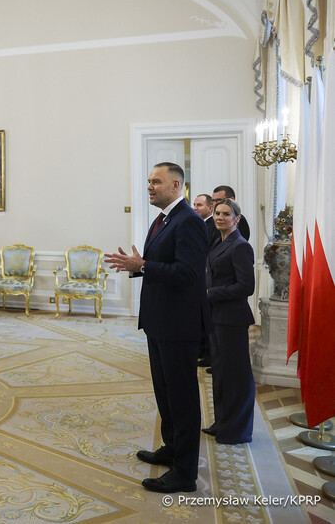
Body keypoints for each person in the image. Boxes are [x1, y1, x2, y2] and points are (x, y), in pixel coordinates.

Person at [105, 162, 207, 494]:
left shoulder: (189, 221)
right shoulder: (163, 219)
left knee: (182, 397)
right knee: (165, 392)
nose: (150, 186)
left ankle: (185, 473)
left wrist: (145, 265)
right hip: (159, 322)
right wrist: (137, 267)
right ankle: (172, 448)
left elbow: (189, 274)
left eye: (156, 182)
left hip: (179, 325)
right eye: (149, 181)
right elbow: (164, 265)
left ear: (176, 185)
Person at [203, 199, 256, 444]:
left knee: (236, 376)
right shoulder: (218, 241)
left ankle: (238, 431)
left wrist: (210, 294)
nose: (220, 217)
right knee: (221, 374)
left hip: (232, 319)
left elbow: (246, 286)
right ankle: (222, 423)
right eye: (217, 213)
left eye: (226, 214)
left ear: (237, 219)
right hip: (216, 316)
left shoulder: (241, 246)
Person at [192, 192, 215, 369]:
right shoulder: (198, 223)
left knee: (207, 317)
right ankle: (200, 350)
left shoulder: (213, 225)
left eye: (199, 205)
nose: (195, 208)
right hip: (198, 275)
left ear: (210, 207)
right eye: (194, 205)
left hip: (208, 276)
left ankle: (209, 353)